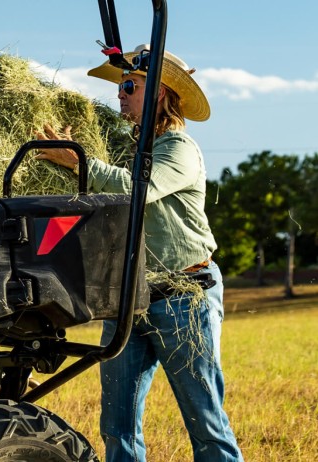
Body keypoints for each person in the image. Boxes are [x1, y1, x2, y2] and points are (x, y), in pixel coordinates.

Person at [35, 44, 244, 461]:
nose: (120, 93)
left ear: (159, 93)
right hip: (129, 297)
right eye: (121, 85)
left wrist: (77, 161)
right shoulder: (130, 148)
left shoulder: (178, 148)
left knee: (206, 422)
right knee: (118, 426)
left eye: (129, 85)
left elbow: (136, 190)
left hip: (184, 295)